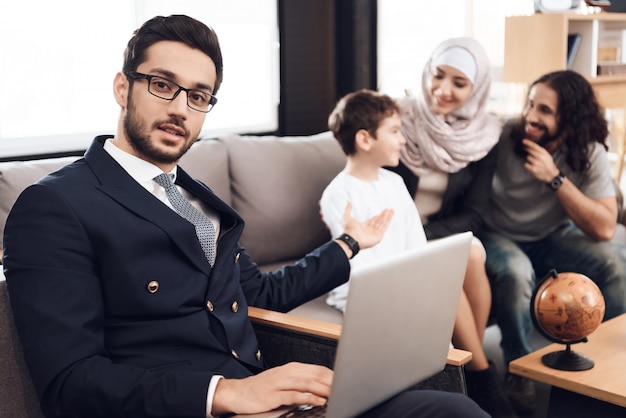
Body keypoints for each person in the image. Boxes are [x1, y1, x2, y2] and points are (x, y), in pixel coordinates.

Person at [2, 15, 490, 418]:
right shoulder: (55, 206)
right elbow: (70, 383)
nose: (180, 108)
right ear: (122, 88)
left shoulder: (198, 199)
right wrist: (227, 394)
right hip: (198, 407)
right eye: (161, 85)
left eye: (198, 96)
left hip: (272, 398)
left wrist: (349, 243)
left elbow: (263, 295)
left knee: (454, 411)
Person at [320, 89, 516, 418]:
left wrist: (422, 279)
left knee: (453, 268)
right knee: (445, 286)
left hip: (406, 280)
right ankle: (480, 376)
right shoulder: (338, 195)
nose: (403, 141)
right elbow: (358, 269)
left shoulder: (395, 183)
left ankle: (471, 370)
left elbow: (416, 246)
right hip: (371, 292)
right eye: (396, 132)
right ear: (365, 139)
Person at [478, 69, 626, 414]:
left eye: (544, 110)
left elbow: (604, 228)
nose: (530, 116)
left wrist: (555, 178)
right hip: (496, 233)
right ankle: (518, 371)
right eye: (530, 104)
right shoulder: (504, 135)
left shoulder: (587, 151)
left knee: (614, 261)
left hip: (551, 236)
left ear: (570, 118)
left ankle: (612, 362)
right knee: (516, 273)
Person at [385, 38, 516, 415]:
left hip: (438, 233)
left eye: (459, 83)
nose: (442, 90)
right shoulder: (397, 119)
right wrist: (411, 237)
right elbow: (378, 192)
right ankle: (481, 373)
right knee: (452, 261)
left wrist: (424, 239)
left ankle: (464, 371)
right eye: (438, 76)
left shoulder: (485, 136)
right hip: (392, 233)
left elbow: (474, 214)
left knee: (471, 253)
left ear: (477, 89)